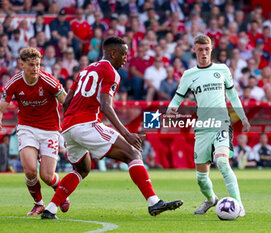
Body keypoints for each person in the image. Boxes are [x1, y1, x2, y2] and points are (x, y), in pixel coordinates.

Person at [41, 37, 183, 220]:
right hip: (87, 124)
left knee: (81, 170)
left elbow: (67, 101)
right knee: (133, 153)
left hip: (69, 127)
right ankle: (153, 202)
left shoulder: (86, 70)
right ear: (112, 53)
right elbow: (106, 106)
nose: (126, 58)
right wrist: (127, 134)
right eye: (123, 54)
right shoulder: (111, 72)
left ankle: (50, 209)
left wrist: (68, 126)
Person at [167, 35, 250, 216]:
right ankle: (212, 199)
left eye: (207, 49)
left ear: (211, 49)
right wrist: (171, 108)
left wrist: (243, 117)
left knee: (222, 161)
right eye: (200, 49)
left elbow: (233, 95)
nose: (204, 53)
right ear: (194, 50)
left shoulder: (222, 69)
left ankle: (239, 205)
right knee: (201, 178)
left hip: (222, 123)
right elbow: (178, 97)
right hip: (203, 127)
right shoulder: (189, 75)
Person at [0, 47, 69, 215]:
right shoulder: (15, 81)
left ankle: (60, 191)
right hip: (27, 128)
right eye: (31, 65)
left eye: (38, 64)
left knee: (47, 175)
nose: (35, 69)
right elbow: (2, 106)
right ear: (21, 64)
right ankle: (39, 203)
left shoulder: (48, 80)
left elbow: (66, 102)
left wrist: (70, 126)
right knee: (30, 170)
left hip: (50, 129)